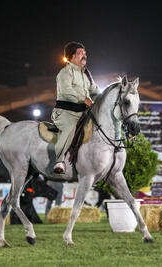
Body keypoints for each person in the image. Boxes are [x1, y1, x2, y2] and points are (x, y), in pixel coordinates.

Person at [51, 41, 99, 174]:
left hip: (83, 112)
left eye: (85, 53)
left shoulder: (87, 74)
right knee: (69, 129)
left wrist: (102, 98)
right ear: (71, 57)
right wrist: (85, 100)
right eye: (80, 53)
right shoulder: (64, 73)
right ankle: (59, 160)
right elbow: (67, 91)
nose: (84, 55)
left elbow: (94, 90)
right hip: (66, 112)